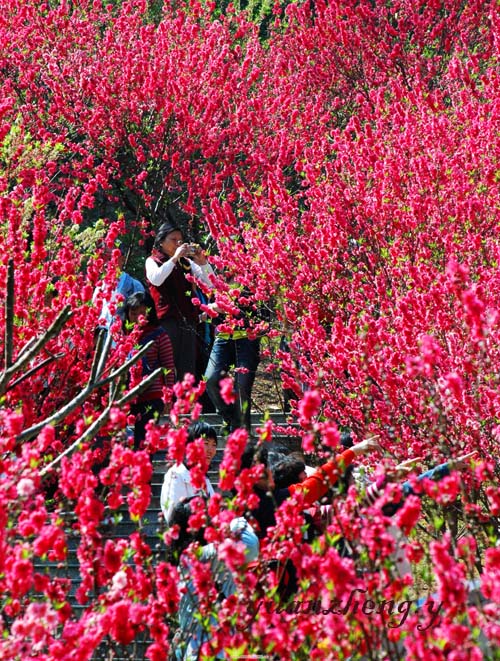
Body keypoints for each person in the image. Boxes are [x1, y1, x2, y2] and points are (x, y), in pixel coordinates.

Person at [169, 497, 259, 660]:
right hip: (215, 649)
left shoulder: (184, 559)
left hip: (196, 649)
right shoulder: (206, 554)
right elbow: (251, 545)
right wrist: (231, 516)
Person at [145, 222, 214, 381]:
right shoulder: (152, 261)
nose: (178, 243)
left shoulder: (187, 263)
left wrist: (202, 262)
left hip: (188, 320)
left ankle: (186, 403)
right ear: (161, 242)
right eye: (173, 239)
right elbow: (156, 279)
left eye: (180, 240)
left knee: (187, 368)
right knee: (167, 366)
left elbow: (210, 283)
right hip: (166, 321)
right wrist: (175, 258)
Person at [204, 279, 264, 433]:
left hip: (247, 339)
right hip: (223, 337)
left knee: (242, 387)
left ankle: (242, 433)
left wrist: (230, 307)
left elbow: (258, 311)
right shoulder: (217, 274)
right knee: (210, 379)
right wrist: (212, 309)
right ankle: (229, 416)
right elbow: (211, 304)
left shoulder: (253, 276)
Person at [123, 291, 175, 448]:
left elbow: (168, 366)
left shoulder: (159, 335)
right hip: (127, 395)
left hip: (152, 394)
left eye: (142, 313)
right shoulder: (122, 334)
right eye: (133, 313)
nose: (138, 317)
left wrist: (168, 397)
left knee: (143, 441)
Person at [160, 421, 217, 525]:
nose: (211, 450)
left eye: (214, 445)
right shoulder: (176, 475)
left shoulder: (203, 476)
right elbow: (173, 517)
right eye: (206, 443)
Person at [94, 245, 145, 331]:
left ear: (122, 259)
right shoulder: (98, 288)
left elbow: (141, 319)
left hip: (121, 340)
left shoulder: (134, 286)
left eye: (110, 258)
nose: (106, 263)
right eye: (103, 258)